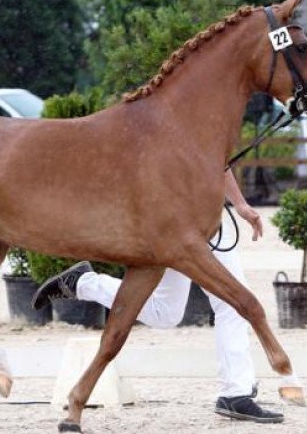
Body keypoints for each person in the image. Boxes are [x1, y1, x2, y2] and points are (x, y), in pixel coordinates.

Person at [32, 170, 284, 423]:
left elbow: (219, 160)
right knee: (209, 306)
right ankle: (236, 392)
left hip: (205, 217)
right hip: (171, 224)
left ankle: (236, 390)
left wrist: (239, 203)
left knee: (179, 311)